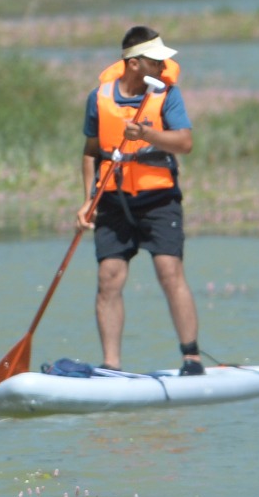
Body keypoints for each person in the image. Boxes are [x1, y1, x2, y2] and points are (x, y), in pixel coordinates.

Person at [78, 27, 203, 374]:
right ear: (134, 64)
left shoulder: (168, 95)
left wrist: (146, 133)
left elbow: (185, 143)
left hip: (159, 199)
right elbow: (91, 152)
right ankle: (111, 365)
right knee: (109, 276)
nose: (164, 67)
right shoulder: (99, 98)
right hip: (113, 201)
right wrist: (88, 199)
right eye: (156, 60)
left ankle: (191, 357)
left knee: (169, 270)